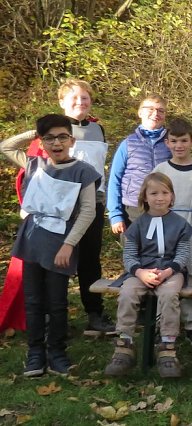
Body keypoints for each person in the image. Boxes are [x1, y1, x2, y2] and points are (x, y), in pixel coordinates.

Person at [1, 79, 114, 335]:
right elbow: (23, 162)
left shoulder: (98, 130)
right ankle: (54, 318)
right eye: (74, 98)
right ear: (62, 102)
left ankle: (94, 314)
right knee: (53, 264)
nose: (80, 103)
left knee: (89, 262)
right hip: (55, 211)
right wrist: (39, 130)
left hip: (90, 204)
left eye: (85, 98)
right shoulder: (49, 133)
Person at [2, 114, 100, 376]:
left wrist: (69, 245)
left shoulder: (84, 172)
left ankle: (57, 352)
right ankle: (35, 353)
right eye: (49, 138)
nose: (56, 143)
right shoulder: (34, 164)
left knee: (57, 302)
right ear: (42, 141)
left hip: (60, 245)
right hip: (32, 240)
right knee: (33, 301)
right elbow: (5, 147)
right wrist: (33, 132)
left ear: (71, 139)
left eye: (62, 136)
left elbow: (88, 212)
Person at [104, 173, 192, 378]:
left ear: (172, 196)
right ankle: (124, 344)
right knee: (127, 292)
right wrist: (140, 272)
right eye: (153, 193)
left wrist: (168, 271)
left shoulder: (179, 224)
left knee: (170, 295)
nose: (159, 198)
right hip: (142, 270)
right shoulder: (138, 224)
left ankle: (167, 347)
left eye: (164, 193)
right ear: (144, 196)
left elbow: (183, 253)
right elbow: (129, 255)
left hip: (171, 271)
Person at [152, 118, 192, 348]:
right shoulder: (161, 170)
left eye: (183, 141)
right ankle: (166, 323)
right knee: (166, 271)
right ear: (167, 143)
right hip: (168, 221)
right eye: (174, 141)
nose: (179, 145)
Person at [108, 94, 172, 235]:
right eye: (150, 109)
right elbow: (115, 179)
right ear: (140, 112)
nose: (156, 114)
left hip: (164, 208)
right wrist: (115, 214)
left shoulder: (172, 144)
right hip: (132, 209)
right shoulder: (128, 144)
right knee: (132, 254)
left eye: (161, 110)